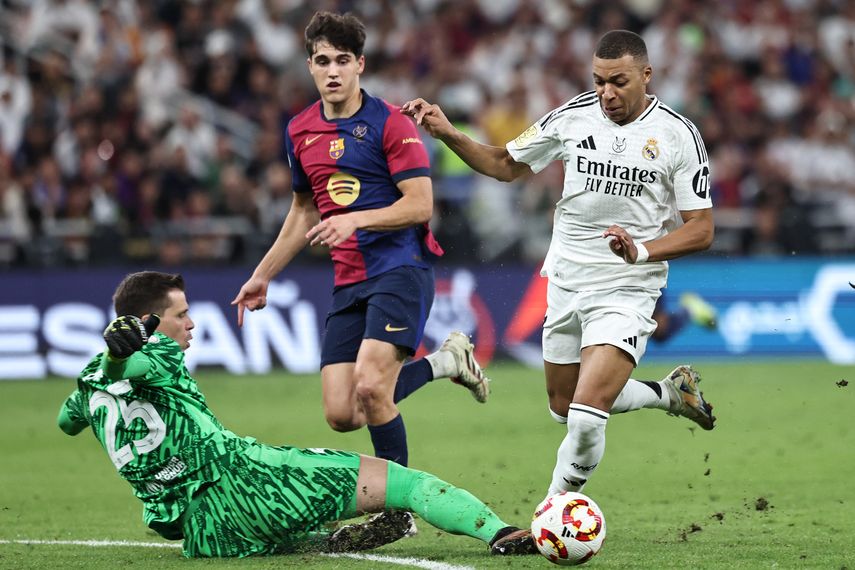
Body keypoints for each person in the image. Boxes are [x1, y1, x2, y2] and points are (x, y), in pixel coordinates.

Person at [403, 30, 716, 498]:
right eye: (598, 80)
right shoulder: (572, 117)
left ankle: (552, 513)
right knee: (564, 406)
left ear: (646, 76)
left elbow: (702, 228)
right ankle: (669, 394)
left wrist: (642, 251)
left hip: (628, 288)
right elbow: (505, 165)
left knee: (588, 417)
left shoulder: (678, 135)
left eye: (618, 81)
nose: (606, 92)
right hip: (567, 281)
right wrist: (448, 133)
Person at [57, 271, 535, 558]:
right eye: (181, 314)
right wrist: (122, 354)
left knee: (312, 540)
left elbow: (67, 420)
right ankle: (502, 534)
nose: (192, 323)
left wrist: (108, 361)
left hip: (200, 530)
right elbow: (134, 362)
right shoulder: (156, 352)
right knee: (409, 485)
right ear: (148, 324)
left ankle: (344, 532)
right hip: (245, 481)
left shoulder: (88, 385)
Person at [231, 11, 489, 468]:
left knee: (371, 386)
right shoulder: (298, 131)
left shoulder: (392, 123)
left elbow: (420, 205)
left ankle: (397, 509)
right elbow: (303, 210)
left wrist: (355, 221)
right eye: (323, 60)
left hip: (401, 268)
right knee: (342, 413)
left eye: (343, 60)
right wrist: (262, 275)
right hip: (349, 280)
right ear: (309, 65)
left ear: (360, 65)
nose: (333, 71)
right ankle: (447, 362)